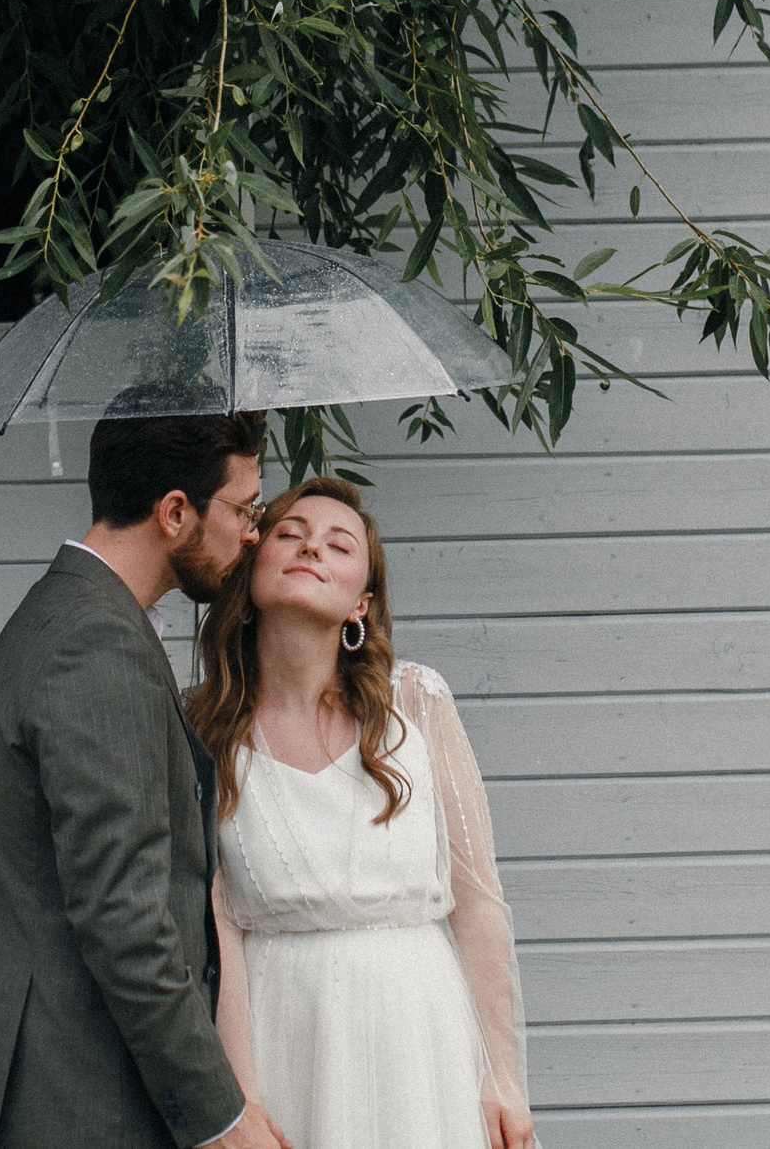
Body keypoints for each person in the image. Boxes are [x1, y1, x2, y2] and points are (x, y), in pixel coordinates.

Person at [0, 407, 291, 1149]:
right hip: (84, 1101)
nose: (254, 532)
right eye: (242, 508)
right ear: (175, 512)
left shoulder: (68, 615)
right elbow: (125, 918)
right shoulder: (95, 646)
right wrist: (222, 1116)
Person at [186, 477, 534, 1149]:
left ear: (362, 604)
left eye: (338, 544)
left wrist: (502, 1076)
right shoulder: (203, 724)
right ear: (250, 566)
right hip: (283, 1029)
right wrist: (241, 1097)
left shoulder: (417, 704)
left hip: (417, 1034)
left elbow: (478, 902)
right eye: (288, 533)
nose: (311, 546)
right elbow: (218, 924)